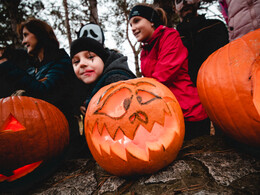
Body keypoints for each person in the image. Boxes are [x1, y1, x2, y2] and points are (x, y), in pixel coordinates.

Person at [0, 18, 80, 157]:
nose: (23, 42)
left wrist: (7, 66)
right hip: (35, 136)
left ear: (39, 34)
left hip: (61, 137)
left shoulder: (61, 62)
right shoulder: (33, 70)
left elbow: (45, 93)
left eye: (26, 35)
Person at [129, 3, 210, 140]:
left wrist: (136, 90)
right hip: (169, 115)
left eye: (136, 21)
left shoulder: (170, 36)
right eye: (130, 25)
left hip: (189, 114)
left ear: (152, 21)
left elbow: (163, 74)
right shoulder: (145, 51)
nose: (133, 28)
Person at [70, 37, 136, 117]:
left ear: (103, 59)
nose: (82, 64)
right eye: (76, 61)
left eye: (90, 57)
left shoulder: (116, 80)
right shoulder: (82, 89)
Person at [174, 0, 229, 85]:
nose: (185, 2)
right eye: (179, 1)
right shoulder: (173, 39)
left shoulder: (216, 26)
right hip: (188, 92)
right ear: (175, 9)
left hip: (220, 84)